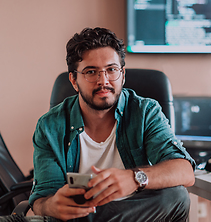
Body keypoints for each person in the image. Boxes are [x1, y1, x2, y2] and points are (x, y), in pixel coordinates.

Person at [25, 27, 195, 222]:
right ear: (74, 80)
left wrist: (133, 178)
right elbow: (41, 200)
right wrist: (51, 205)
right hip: (78, 214)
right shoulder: (49, 126)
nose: (103, 81)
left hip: (137, 214)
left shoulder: (145, 112)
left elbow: (185, 171)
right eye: (91, 72)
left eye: (111, 70)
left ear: (122, 74)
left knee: (176, 197)